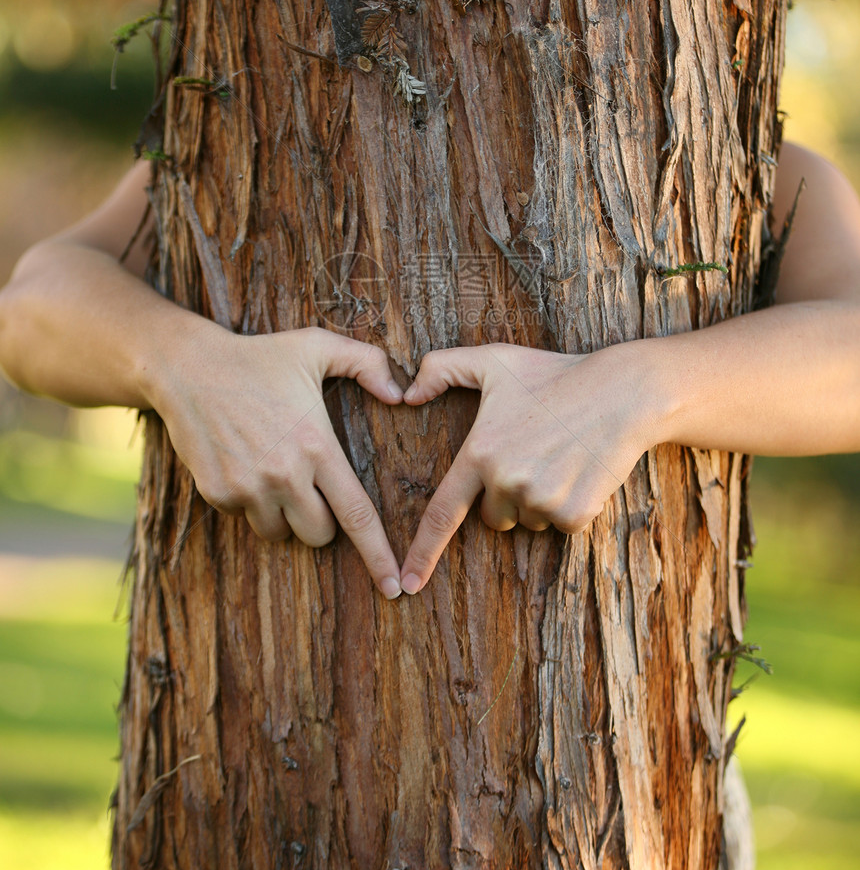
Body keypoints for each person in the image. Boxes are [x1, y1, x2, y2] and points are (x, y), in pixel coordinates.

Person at [0, 140, 858, 601]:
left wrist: (640, 388)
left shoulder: (759, 170)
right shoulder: (223, 139)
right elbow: (31, 306)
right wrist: (180, 363)